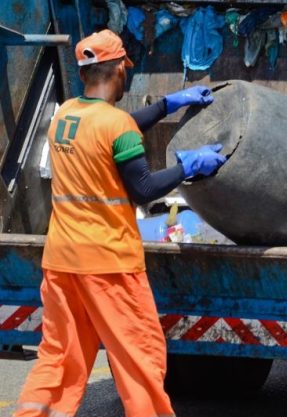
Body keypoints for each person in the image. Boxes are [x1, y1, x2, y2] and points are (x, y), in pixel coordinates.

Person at [14, 29, 226, 417]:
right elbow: (144, 189)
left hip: (61, 262)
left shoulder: (65, 116)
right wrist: (188, 166)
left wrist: (167, 105)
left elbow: (111, 129)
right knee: (139, 358)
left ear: (84, 74)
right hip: (109, 265)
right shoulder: (117, 126)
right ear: (118, 70)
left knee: (59, 358)